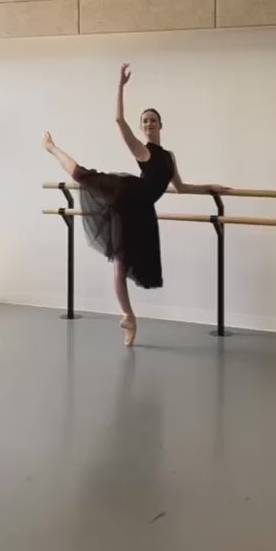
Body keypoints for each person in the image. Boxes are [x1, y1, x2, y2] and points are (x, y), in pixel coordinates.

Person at [43, 63, 228, 346]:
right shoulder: (143, 151)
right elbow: (119, 121)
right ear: (142, 128)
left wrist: (209, 187)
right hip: (125, 197)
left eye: (153, 120)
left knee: (127, 261)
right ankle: (52, 147)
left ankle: (128, 317)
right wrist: (120, 85)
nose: (149, 124)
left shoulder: (169, 157)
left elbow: (180, 187)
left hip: (142, 211)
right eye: (145, 121)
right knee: (82, 177)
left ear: (161, 125)